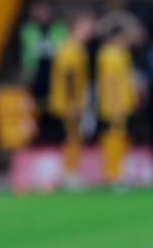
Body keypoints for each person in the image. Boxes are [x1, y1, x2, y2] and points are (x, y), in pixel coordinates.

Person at [47, 13, 94, 184]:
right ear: (77, 27)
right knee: (73, 137)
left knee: (73, 137)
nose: (91, 30)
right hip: (69, 101)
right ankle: (70, 173)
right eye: (87, 26)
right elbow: (68, 77)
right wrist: (73, 102)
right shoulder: (71, 49)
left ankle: (71, 172)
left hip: (70, 100)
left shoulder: (72, 48)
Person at [95, 19, 138, 185]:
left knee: (120, 139)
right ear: (119, 36)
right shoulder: (109, 56)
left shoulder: (121, 54)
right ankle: (113, 175)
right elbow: (110, 84)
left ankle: (117, 173)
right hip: (114, 106)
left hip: (123, 104)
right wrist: (114, 107)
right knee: (113, 139)